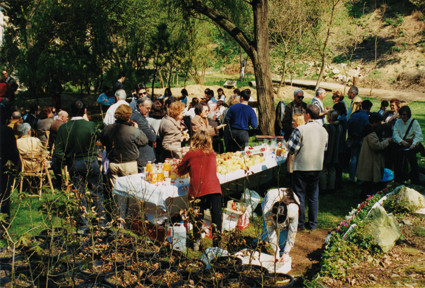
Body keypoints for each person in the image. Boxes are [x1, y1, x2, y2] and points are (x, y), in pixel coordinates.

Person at [54, 100, 107, 229]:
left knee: (79, 192)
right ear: (84, 111)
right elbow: (101, 138)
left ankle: (84, 222)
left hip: (74, 162)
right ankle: (102, 221)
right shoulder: (91, 125)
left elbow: (58, 151)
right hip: (90, 161)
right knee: (97, 192)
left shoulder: (64, 127)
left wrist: (67, 161)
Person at [101, 104, 148, 222]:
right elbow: (144, 141)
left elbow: (102, 139)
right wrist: (137, 128)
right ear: (129, 116)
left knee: (116, 192)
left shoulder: (107, 129)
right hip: (129, 164)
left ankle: (117, 216)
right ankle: (130, 218)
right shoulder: (132, 131)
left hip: (113, 163)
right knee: (131, 193)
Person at [176, 130, 222, 250]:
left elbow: (180, 171)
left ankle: (196, 241)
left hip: (198, 189)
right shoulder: (212, 153)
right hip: (214, 188)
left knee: (197, 216)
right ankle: (217, 244)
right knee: (216, 217)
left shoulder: (190, 154)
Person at [287, 104, 328, 231]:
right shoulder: (324, 130)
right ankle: (312, 223)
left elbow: (292, 148)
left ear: (308, 115)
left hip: (301, 166)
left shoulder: (300, 130)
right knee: (313, 196)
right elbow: (325, 148)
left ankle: (299, 223)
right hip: (316, 166)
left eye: (305, 113)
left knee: (299, 196)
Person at [356, 113, 392, 196]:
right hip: (370, 160)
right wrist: (387, 141)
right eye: (379, 122)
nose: (380, 124)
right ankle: (365, 199)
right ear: (374, 122)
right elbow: (377, 146)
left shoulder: (369, 130)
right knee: (369, 183)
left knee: (368, 183)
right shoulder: (370, 133)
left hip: (369, 159)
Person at [260, 188, 299, 262]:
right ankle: (258, 242)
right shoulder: (267, 212)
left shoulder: (293, 210)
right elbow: (270, 231)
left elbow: (292, 231)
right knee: (266, 231)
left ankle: (283, 254)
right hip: (269, 199)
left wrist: (286, 252)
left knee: (283, 233)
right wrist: (276, 250)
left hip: (290, 205)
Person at [393, 105, 423, 184]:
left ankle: (414, 181)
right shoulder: (398, 122)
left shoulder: (414, 122)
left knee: (413, 164)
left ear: (408, 114)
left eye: (404, 114)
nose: (402, 116)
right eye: (401, 114)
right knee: (399, 163)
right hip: (400, 145)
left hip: (411, 146)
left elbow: (418, 135)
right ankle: (399, 181)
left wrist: (413, 144)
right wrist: (402, 141)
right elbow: (395, 134)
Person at [0, 110, 19, 225]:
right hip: (3, 166)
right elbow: (13, 152)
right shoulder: (7, 131)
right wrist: (16, 165)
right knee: (4, 194)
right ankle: (4, 223)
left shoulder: (7, 131)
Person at [347, 100, 372, 183]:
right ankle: (360, 179)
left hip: (353, 138)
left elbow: (349, 125)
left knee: (353, 158)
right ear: (368, 108)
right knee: (361, 160)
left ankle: (351, 178)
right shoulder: (367, 117)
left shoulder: (354, 115)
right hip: (362, 139)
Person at [320, 110, 344, 194]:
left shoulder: (327, 127)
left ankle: (323, 188)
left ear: (330, 118)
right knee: (332, 170)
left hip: (327, 151)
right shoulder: (340, 127)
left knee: (323, 170)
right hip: (336, 152)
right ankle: (331, 187)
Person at [130, 97, 157, 170]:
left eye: (150, 108)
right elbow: (153, 137)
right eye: (147, 108)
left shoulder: (137, 116)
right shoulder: (138, 118)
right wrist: (152, 131)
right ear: (140, 106)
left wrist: (150, 129)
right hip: (144, 156)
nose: (149, 111)